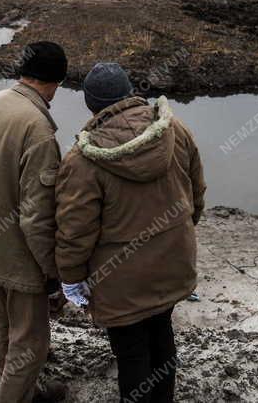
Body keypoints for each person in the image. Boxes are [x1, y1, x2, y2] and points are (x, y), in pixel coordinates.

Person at [55, 62, 206, 403]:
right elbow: (196, 193)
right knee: (162, 332)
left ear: (91, 105)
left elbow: (75, 231)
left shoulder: (82, 160)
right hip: (173, 260)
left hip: (119, 279)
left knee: (132, 351)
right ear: (130, 92)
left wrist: (70, 277)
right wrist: (179, 234)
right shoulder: (174, 129)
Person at [0, 41, 68, 403]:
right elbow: (36, 216)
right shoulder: (38, 128)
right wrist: (52, 269)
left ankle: (27, 394)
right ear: (55, 82)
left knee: (4, 328)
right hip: (17, 255)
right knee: (31, 343)